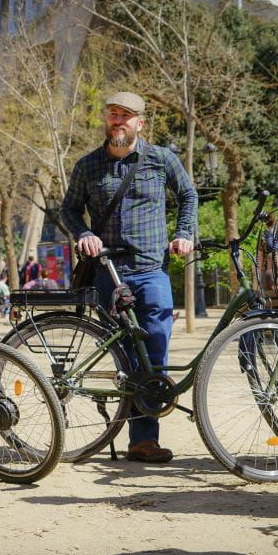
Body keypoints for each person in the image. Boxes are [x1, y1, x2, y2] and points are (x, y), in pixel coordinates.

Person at [61, 91, 197, 464]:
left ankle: (143, 441)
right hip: (107, 272)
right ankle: (109, 429)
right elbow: (69, 210)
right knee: (122, 358)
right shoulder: (88, 166)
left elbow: (188, 195)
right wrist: (84, 233)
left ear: (140, 123)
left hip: (152, 271)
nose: (118, 120)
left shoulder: (161, 158)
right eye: (112, 114)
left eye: (126, 115)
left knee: (154, 357)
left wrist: (185, 233)